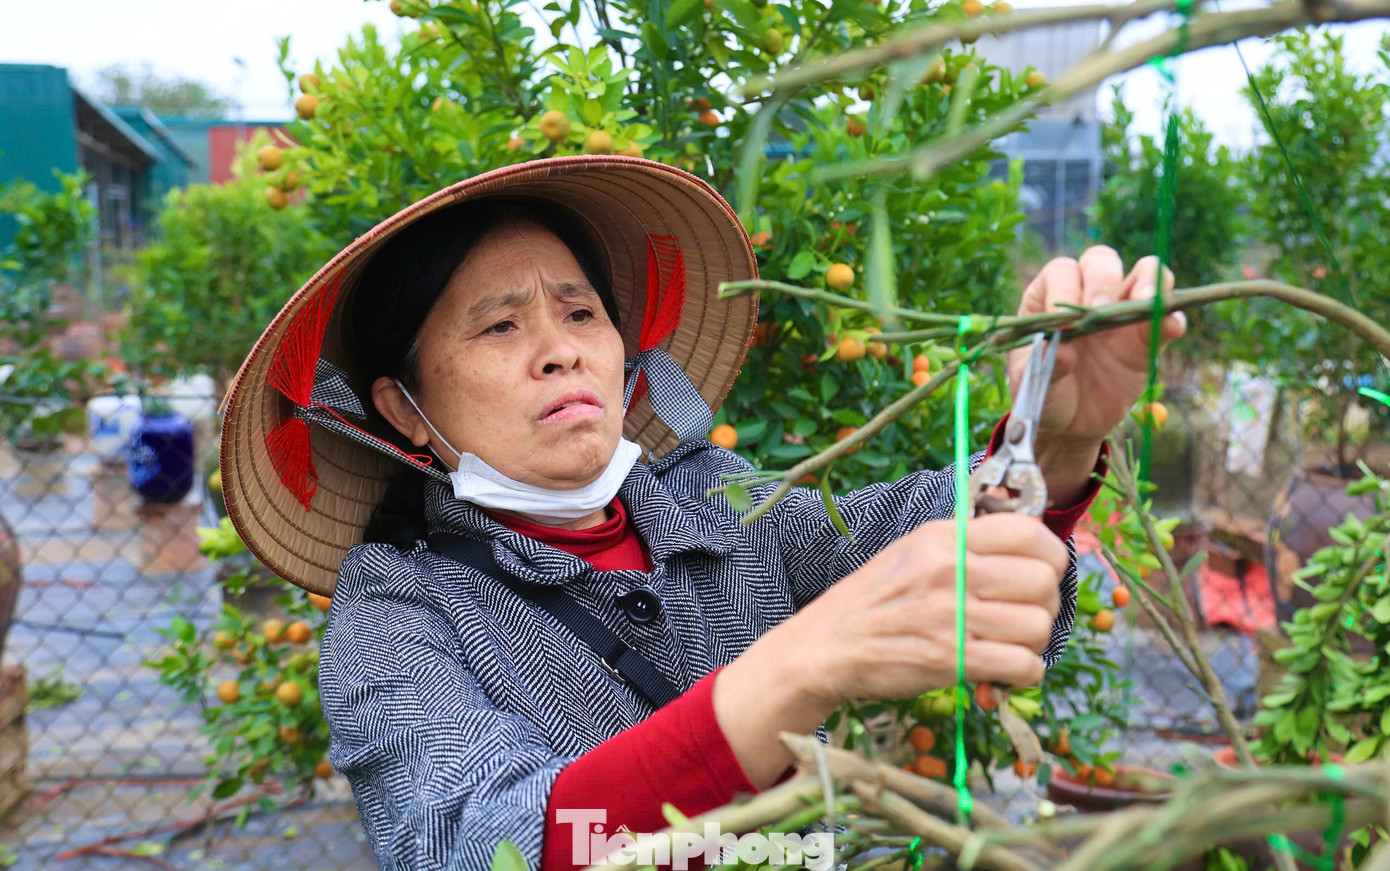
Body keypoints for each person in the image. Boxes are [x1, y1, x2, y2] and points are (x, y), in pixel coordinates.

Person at [218, 156, 1185, 871]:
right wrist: (794, 670)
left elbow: (941, 544)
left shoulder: (715, 508)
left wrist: (1045, 439)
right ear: (401, 407)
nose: (560, 351)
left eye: (581, 313)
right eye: (500, 324)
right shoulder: (397, 617)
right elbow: (484, 843)